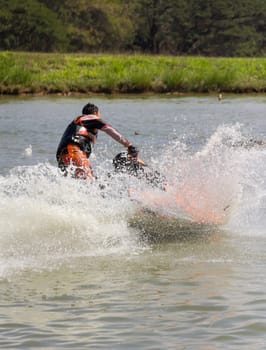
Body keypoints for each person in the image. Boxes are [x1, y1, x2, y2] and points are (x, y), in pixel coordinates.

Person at [56, 102, 138, 180]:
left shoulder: (79, 122)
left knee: (78, 183)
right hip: (73, 152)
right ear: (95, 113)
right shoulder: (91, 117)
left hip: (62, 157)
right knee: (89, 182)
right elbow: (109, 129)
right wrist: (129, 145)